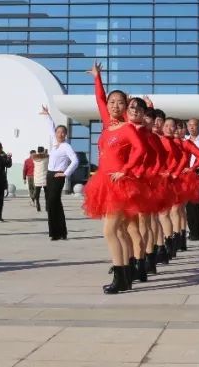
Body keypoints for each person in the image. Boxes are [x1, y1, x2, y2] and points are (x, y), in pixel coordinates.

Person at [85, 62, 147, 294]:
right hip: (103, 182)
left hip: (120, 184)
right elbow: (100, 98)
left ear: (126, 106)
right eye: (112, 102)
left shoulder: (128, 128)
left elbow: (141, 150)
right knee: (119, 231)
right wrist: (97, 77)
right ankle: (125, 275)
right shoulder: (107, 124)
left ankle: (121, 273)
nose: (114, 105)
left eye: (120, 102)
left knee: (110, 231)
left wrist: (126, 170)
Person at [40, 105, 79, 240]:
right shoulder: (54, 142)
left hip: (58, 176)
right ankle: (58, 233)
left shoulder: (66, 146)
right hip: (50, 175)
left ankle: (58, 232)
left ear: (66, 134)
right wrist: (47, 115)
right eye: (58, 132)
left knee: (52, 202)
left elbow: (75, 161)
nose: (60, 134)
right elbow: (51, 127)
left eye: (63, 132)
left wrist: (65, 173)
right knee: (53, 204)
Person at [32, 146, 49, 212]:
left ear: (37, 151)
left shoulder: (34, 159)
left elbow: (36, 156)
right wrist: (45, 153)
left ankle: (38, 206)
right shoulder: (46, 158)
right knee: (46, 194)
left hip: (37, 177)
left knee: (37, 194)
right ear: (43, 150)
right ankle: (47, 207)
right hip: (45, 177)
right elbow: (46, 156)